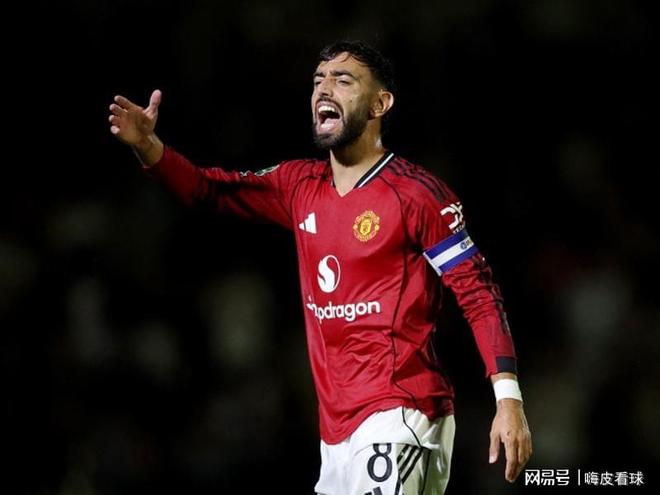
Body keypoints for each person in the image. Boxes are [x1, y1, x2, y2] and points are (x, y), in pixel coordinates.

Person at [108, 41, 532, 494]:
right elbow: (208, 190)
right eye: (317, 81)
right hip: (335, 435)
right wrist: (148, 146)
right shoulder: (298, 185)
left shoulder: (417, 195)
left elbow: (479, 295)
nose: (324, 90)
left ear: (380, 104)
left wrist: (508, 398)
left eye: (342, 80)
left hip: (400, 413)